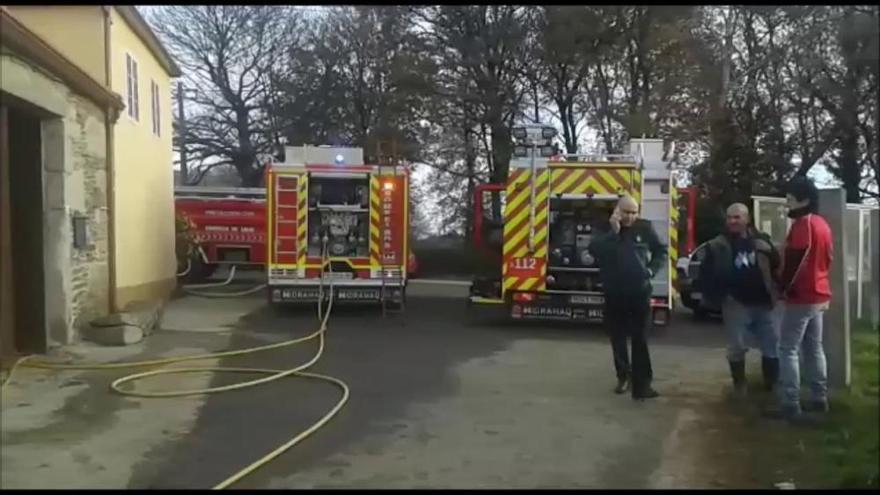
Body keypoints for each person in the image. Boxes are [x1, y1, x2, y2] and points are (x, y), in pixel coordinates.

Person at [765, 176, 833, 421]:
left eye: (790, 199)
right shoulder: (823, 224)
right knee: (814, 347)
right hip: (819, 293)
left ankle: (790, 403)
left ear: (803, 199)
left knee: (788, 348)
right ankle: (819, 397)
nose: (787, 203)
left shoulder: (804, 224)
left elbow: (797, 259)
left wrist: (783, 286)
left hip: (802, 295)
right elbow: (827, 258)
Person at [697, 203, 781, 398]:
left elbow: (777, 265)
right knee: (737, 346)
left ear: (747, 219)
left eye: (737, 217)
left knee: (771, 345)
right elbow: (705, 274)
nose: (732, 221)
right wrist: (715, 296)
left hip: (763, 303)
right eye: (729, 218)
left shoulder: (761, 241)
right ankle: (739, 386)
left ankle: (771, 386)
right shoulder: (718, 245)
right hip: (736, 303)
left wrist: (769, 252)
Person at [588, 195, 667, 400]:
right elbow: (594, 250)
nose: (630, 217)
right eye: (626, 212)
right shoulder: (604, 229)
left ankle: (642, 385)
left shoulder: (645, 228)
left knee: (640, 338)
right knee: (618, 337)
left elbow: (661, 251)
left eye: (634, 212)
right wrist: (614, 233)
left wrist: (651, 271)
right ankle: (623, 376)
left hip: (639, 291)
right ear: (617, 211)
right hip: (614, 292)